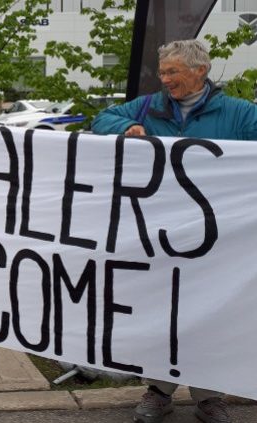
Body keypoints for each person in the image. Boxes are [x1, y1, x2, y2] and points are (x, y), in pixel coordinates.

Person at [92, 39, 257, 423]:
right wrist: (127, 126)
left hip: (219, 235)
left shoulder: (239, 113)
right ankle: (159, 390)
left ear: (201, 71)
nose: (165, 79)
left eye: (173, 72)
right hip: (161, 230)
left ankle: (208, 396)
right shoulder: (149, 107)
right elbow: (102, 119)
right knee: (162, 311)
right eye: (163, 72)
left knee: (210, 312)